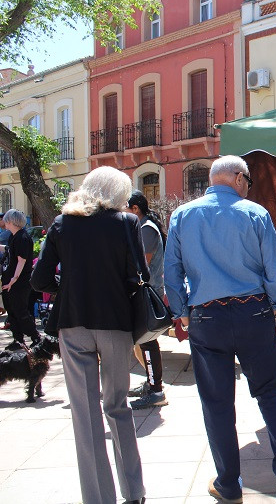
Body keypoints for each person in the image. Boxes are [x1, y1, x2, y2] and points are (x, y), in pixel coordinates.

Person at [164, 155, 276, 501]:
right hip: (252, 311)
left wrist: (180, 312)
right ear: (239, 179)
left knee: (217, 402)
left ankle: (228, 483)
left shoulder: (183, 215)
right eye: (248, 182)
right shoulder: (255, 213)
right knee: (270, 391)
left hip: (206, 318)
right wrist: (274, 301)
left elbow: (172, 273)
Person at [31, 167, 147, 504]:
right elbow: (136, 276)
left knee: (85, 414)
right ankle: (134, 492)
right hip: (114, 322)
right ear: (117, 194)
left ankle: (98, 498)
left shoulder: (61, 224)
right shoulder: (126, 223)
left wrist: (66, 288)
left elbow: (39, 280)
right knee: (117, 406)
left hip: (73, 323)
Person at [126, 190, 169, 410]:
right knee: (140, 345)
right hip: (146, 292)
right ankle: (152, 384)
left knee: (147, 342)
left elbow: (140, 266)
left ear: (135, 209)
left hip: (147, 293)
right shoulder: (143, 228)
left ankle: (156, 390)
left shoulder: (146, 230)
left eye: (125, 209)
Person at [1, 209, 40, 349]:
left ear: (11, 221)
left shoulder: (22, 237)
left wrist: (14, 279)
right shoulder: (14, 237)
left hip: (18, 283)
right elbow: (10, 251)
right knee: (11, 311)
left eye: (6, 220)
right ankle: (18, 340)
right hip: (9, 282)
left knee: (20, 311)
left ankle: (36, 337)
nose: (4, 222)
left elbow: (21, 261)